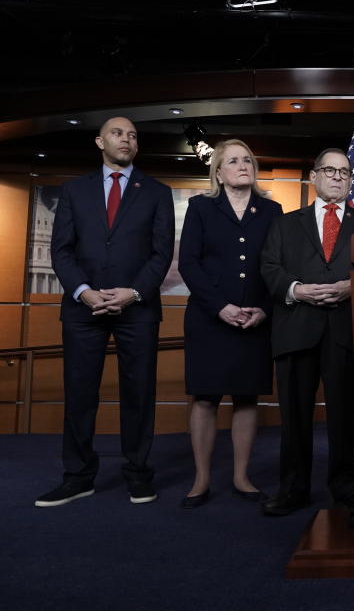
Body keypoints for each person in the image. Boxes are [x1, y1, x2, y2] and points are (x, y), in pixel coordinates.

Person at [36, 117, 174, 507]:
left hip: (138, 308)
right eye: (118, 133)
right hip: (83, 310)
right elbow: (60, 249)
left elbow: (161, 253)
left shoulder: (157, 192)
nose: (126, 139)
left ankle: (138, 474)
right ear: (100, 141)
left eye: (133, 135)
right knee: (79, 395)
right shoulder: (75, 190)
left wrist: (133, 292)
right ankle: (78, 476)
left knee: (139, 395)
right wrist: (83, 292)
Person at [260, 148, 354, 516]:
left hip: (346, 330)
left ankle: (346, 487)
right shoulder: (285, 223)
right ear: (314, 177)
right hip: (296, 327)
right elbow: (268, 267)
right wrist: (297, 290)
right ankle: (292, 489)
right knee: (295, 417)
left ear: (351, 181)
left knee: (345, 417)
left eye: (344, 172)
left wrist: (352, 287)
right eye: (329, 170)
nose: (336, 177)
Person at [177, 139, 282, 509]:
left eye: (247, 160)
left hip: (254, 320)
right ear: (218, 173)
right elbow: (189, 263)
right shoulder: (201, 208)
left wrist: (264, 308)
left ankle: (241, 476)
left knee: (246, 397)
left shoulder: (272, 210)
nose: (243, 165)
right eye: (233, 161)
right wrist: (219, 306)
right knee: (205, 398)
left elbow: (276, 267)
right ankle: (202, 479)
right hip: (209, 319)